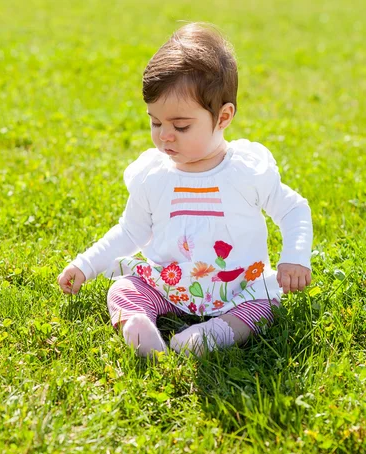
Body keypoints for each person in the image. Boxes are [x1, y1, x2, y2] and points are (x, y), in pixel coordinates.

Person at [57, 22, 313, 358]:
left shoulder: (246, 170)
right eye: (155, 122)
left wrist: (294, 258)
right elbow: (130, 231)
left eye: (180, 126)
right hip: (169, 283)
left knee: (260, 307)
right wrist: (86, 265)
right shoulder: (154, 176)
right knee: (124, 288)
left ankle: (214, 334)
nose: (165, 135)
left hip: (237, 286)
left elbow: (293, 209)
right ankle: (138, 325)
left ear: (223, 117)